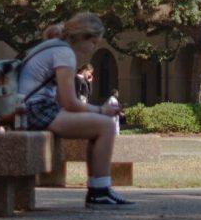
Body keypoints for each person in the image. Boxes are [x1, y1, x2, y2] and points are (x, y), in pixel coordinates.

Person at [18, 12, 133, 207]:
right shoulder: (65, 53)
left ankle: (99, 189)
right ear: (83, 37)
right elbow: (69, 101)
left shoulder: (53, 47)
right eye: (94, 43)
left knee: (98, 127)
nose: (93, 48)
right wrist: (100, 111)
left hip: (27, 109)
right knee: (105, 126)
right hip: (35, 111)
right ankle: (99, 190)